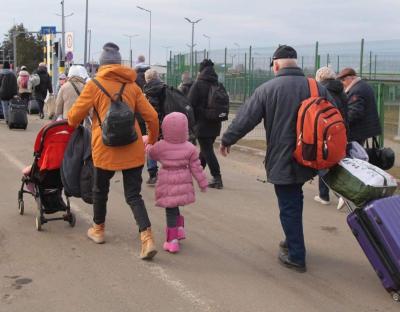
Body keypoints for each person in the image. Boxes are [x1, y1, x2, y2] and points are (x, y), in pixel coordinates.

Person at [220, 45, 331, 273]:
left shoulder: (267, 89)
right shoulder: (317, 87)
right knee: (294, 201)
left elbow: (246, 118)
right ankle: (293, 240)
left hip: (284, 157)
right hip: (312, 156)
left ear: (277, 64)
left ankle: (297, 256)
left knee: (289, 205)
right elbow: (335, 117)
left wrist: (228, 139)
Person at [67, 42, 160, 260]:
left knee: (100, 190)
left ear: (101, 65)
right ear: (119, 64)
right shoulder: (133, 86)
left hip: (104, 149)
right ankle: (147, 239)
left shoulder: (94, 85)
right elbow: (153, 118)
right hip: (133, 149)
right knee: (133, 195)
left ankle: (98, 230)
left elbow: (72, 118)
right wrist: (152, 140)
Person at [147, 112, 208, 253]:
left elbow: (152, 154)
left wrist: (148, 146)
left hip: (167, 180)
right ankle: (180, 230)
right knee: (175, 206)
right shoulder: (190, 148)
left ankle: (172, 241)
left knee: (170, 209)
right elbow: (196, 167)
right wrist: (202, 183)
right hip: (183, 179)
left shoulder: (161, 146)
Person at [313, 66, 348, 206]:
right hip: (341, 130)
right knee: (335, 163)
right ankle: (326, 194)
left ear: (320, 78)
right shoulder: (341, 90)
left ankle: (334, 194)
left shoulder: (323, 91)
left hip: (328, 132)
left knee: (323, 163)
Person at [188, 59, 223, 189]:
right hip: (216, 123)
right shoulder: (218, 84)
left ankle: (217, 177)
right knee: (205, 149)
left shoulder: (198, 84)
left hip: (202, 124)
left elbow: (189, 103)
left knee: (207, 150)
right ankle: (197, 173)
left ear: (201, 70)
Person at [337, 67, 381, 145]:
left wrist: (341, 123)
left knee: (355, 153)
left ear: (352, 78)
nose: (342, 83)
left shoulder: (357, 90)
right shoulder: (362, 85)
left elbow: (355, 112)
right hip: (364, 128)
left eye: (343, 80)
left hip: (359, 130)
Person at [143, 68, 166, 185]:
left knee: (151, 146)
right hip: (167, 123)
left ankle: (153, 175)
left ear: (147, 79)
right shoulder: (166, 88)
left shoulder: (148, 92)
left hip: (153, 124)